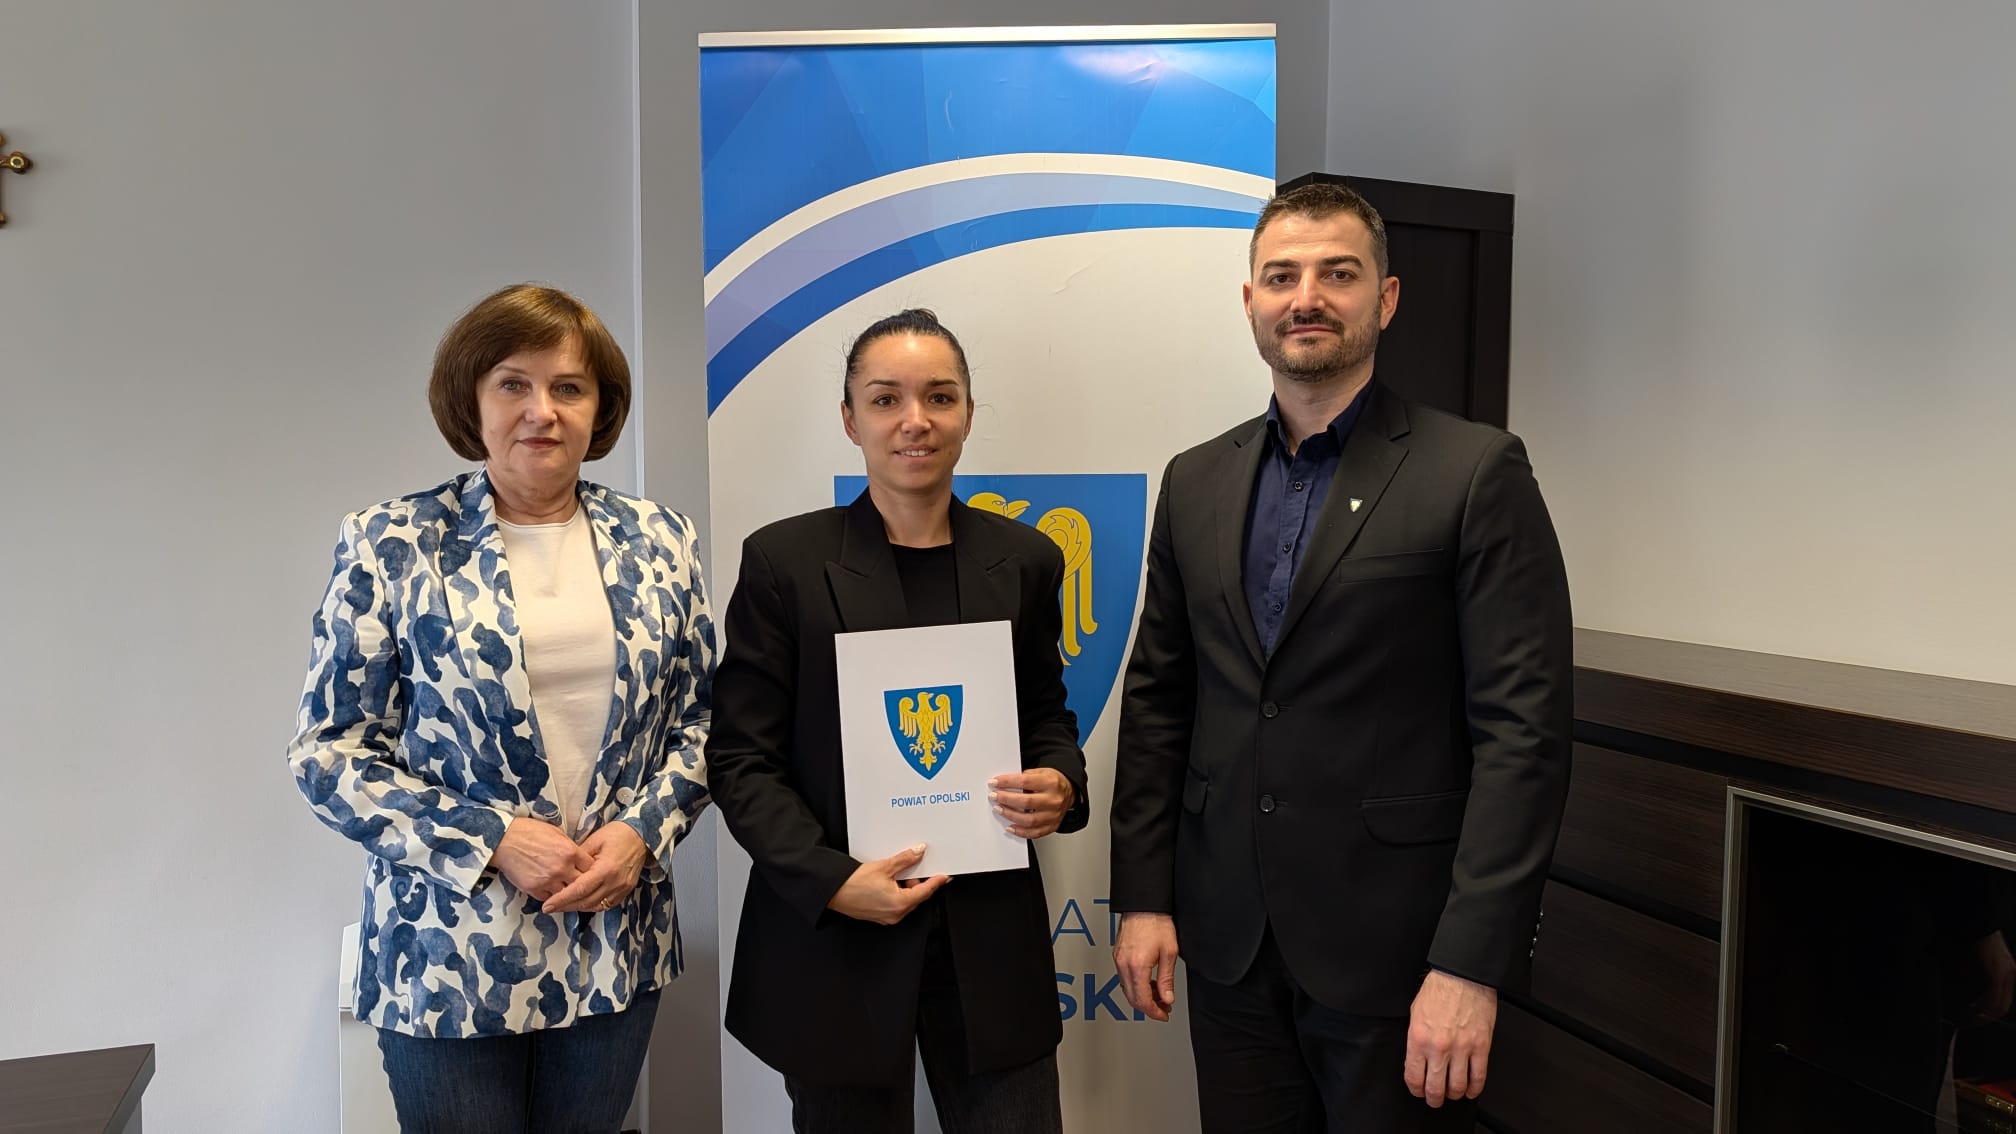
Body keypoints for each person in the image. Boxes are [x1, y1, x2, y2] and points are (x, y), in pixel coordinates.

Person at [1109, 181, 1574, 1132]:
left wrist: (1470, 963)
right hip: (1230, 944)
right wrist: (1143, 898)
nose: (1307, 297)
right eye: (1282, 276)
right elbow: (1160, 700)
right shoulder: (1194, 480)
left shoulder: (1474, 471)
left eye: (1338, 274)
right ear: (1250, 300)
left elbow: (1523, 737)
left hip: (1399, 956)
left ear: (1386, 298)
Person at [286, 284, 714, 1133]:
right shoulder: (392, 541)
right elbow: (329, 754)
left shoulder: (663, 539)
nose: (541, 411)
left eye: (569, 387)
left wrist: (642, 834)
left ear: (599, 407)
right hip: (447, 953)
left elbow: (701, 723)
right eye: (514, 384)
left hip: (612, 945)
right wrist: (493, 839)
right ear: (471, 400)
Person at [707, 308, 1088, 1134]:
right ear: (851, 420)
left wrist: (1059, 779)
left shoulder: (1025, 560)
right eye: (886, 399)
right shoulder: (784, 563)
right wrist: (830, 879)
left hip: (989, 939)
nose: (915, 420)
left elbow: (1044, 713)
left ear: (968, 415)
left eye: (939, 397)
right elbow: (740, 758)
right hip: (837, 938)